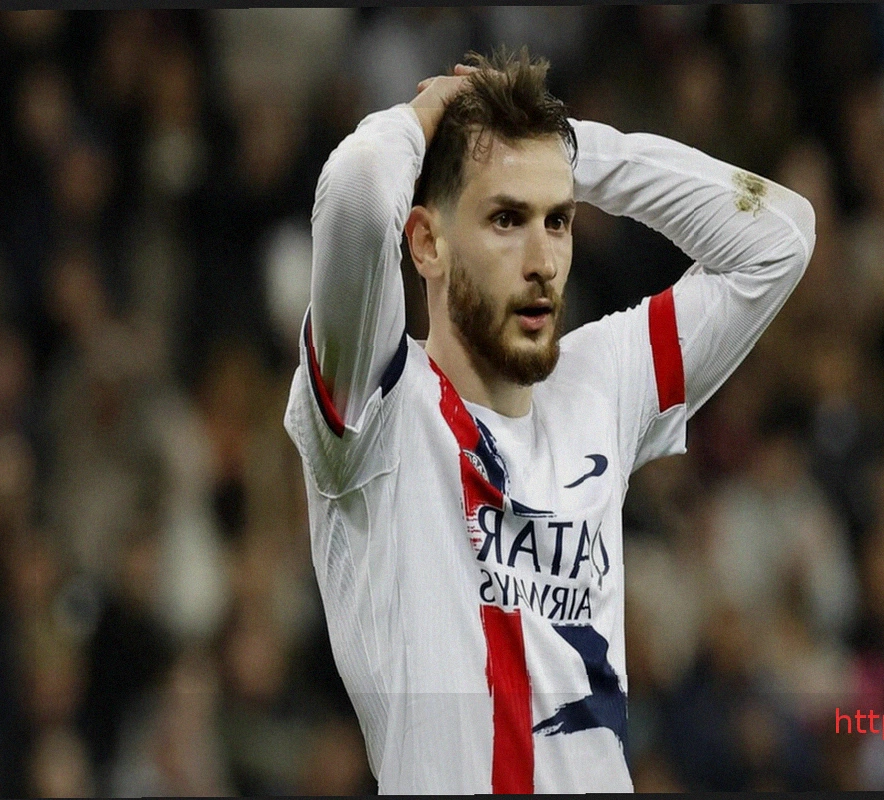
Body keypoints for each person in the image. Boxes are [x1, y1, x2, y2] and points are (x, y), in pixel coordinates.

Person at [284, 48, 815, 794]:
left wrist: (570, 151)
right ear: (427, 242)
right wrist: (424, 117)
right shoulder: (374, 405)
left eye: (558, 221)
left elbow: (779, 238)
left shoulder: (599, 386)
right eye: (506, 219)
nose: (543, 260)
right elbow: (357, 191)